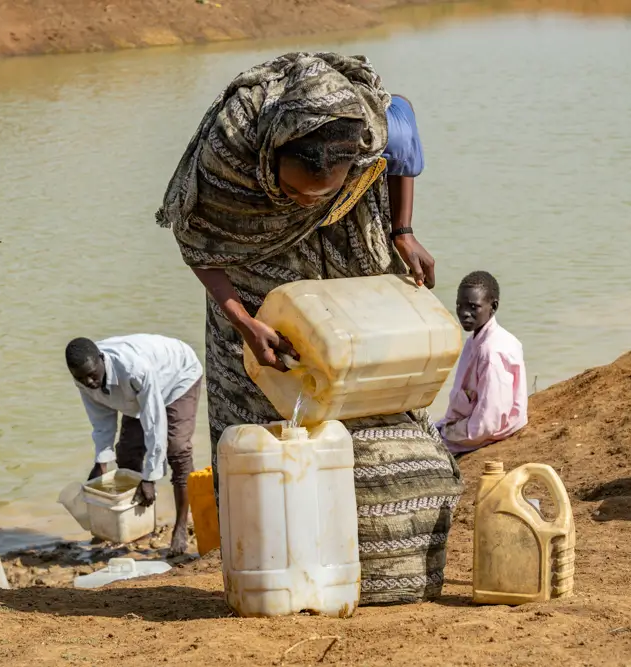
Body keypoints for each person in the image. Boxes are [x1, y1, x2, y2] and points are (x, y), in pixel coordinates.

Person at [156, 52, 463, 604]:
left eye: (321, 192)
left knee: (369, 389)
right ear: (271, 158)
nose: (304, 203)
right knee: (266, 425)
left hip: (347, 262)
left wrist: (403, 229)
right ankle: (282, 568)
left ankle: (375, 570)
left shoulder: (370, 127)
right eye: (295, 192)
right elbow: (195, 238)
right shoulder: (228, 152)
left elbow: (404, 139)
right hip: (253, 289)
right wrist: (245, 321)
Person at [65, 335, 203, 556]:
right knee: (127, 454)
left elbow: (154, 423)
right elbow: (101, 421)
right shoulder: (82, 375)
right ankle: (140, 526)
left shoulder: (133, 369)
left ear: (101, 359)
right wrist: (101, 462)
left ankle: (180, 528)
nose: (89, 382)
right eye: (82, 378)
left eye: (92, 375)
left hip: (178, 376)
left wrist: (150, 477)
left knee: (178, 449)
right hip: (136, 393)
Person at [436, 271, 528, 455]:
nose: (464, 313)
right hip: (470, 422)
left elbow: (488, 423)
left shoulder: (491, 352)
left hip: (486, 430)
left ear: (493, 307)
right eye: (459, 306)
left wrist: (445, 434)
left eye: (473, 307)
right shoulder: (475, 341)